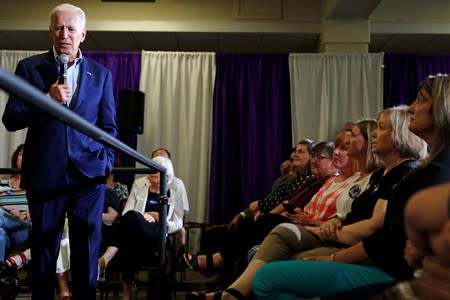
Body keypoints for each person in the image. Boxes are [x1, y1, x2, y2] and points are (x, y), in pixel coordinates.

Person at [252, 74, 450, 299]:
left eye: (421, 100)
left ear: (442, 109)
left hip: (388, 269)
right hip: (376, 258)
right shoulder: (421, 168)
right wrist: (337, 222)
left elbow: (386, 235)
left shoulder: (433, 170)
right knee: (268, 255)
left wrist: (333, 255)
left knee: (266, 279)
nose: (412, 108)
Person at [1, 3, 117, 299]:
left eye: (71, 28)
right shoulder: (29, 67)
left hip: (89, 176)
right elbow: (11, 118)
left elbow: (109, 126)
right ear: (50, 31)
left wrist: (106, 163)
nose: (64, 34)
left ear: (83, 34)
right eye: (58, 27)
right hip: (45, 174)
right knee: (43, 251)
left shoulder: (101, 74)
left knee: (87, 250)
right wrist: (45, 99)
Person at [98, 156, 186, 299]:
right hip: (137, 230)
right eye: (150, 169)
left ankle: (107, 262)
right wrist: (142, 216)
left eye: (156, 170)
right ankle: (126, 291)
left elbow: (178, 222)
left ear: (166, 173)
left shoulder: (176, 188)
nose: (152, 172)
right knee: (130, 230)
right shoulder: (140, 185)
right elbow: (127, 212)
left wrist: (158, 217)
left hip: (158, 231)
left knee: (127, 224)